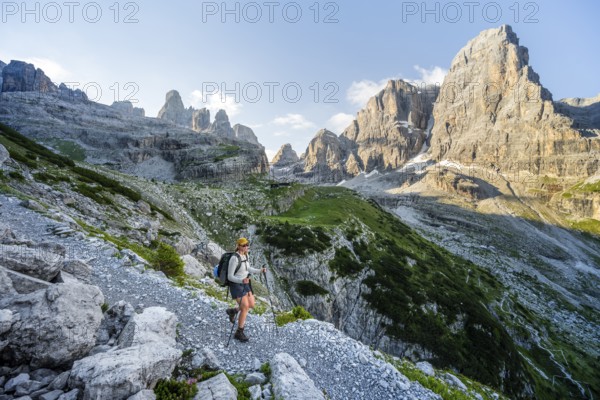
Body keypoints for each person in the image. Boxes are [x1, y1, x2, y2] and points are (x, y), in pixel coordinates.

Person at [225, 237, 266, 342]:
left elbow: (248, 269)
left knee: (252, 304)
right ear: (238, 246)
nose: (246, 246)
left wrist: (260, 270)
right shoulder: (234, 258)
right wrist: (241, 281)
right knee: (245, 307)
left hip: (245, 283)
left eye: (247, 244)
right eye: (244, 245)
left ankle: (233, 311)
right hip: (236, 284)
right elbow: (230, 277)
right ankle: (239, 332)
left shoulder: (245, 255)